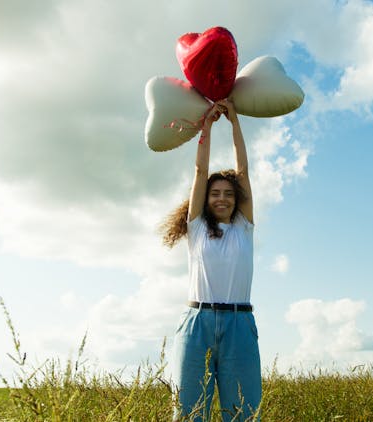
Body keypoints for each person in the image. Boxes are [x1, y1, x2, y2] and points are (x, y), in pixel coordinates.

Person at [161, 99, 261, 421]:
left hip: (239, 325)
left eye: (229, 194)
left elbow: (243, 172)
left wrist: (235, 124)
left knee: (243, 413)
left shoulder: (243, 229)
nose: (221, 198)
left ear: (237, 201)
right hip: (197, 324)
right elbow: (200, 171)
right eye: (215, 193)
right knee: (190, 413)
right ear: (206, 198)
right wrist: (206, 127)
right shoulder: (197, 228)